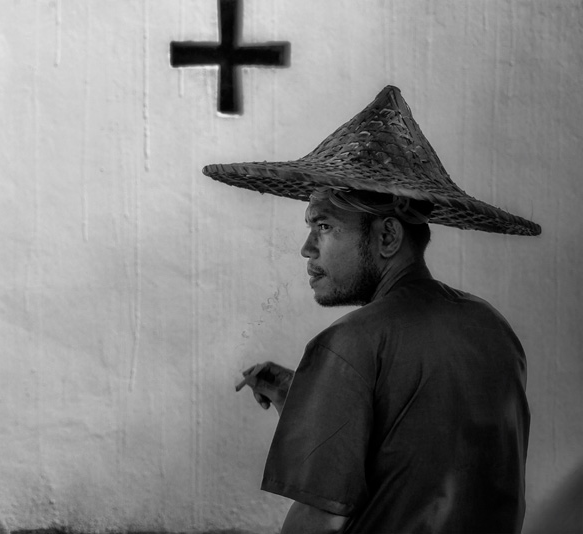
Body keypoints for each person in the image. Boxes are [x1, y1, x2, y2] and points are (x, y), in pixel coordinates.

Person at [203, 86, 540, 534]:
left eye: (324, 226)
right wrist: (310, 399)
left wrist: (337, 375)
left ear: (387, 237)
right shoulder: (492, 327)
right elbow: (420, 456)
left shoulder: (350, 342)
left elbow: (319, 519)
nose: (307, 248)